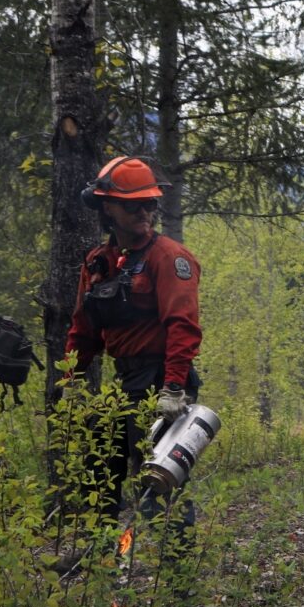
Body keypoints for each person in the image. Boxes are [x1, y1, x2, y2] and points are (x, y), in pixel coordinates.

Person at [63, 156, 202, 550]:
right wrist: (71, 379)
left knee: (159, 477)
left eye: (150, 204)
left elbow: (183, 326)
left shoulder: (169, 258)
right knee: (99, 469)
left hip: (161, 380)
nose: (144, 212)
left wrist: (173, 387)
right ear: (109, 208)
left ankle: (175, 574)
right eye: (133, 204)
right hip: (123, 382)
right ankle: (94, 557)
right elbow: (82, 327)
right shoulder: (97, 262)